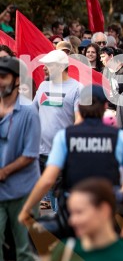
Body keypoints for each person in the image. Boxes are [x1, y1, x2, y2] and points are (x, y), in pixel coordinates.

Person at [21, 84, 123, 237]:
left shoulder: (65, 136)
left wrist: (26, 208)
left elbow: (47, 180)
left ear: (79, 106)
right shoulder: (119, 137)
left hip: (74, 213)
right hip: (106, 212)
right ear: (105, 106)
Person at [0, 57, 40, 261]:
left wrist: (4, 171)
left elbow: (30, 154)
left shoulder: (28, 112)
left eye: (3, 77)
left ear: (16, 81)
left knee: (23, 245)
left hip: (23, 188)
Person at [33, 49, 82, 207]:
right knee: (42, 201)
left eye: (48, 65)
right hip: (39, 153)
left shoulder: (77, 88)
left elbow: (79, 121)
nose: (43, 68)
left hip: (62, 154)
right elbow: (32, 113)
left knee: (59, 201)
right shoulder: (43, 85)